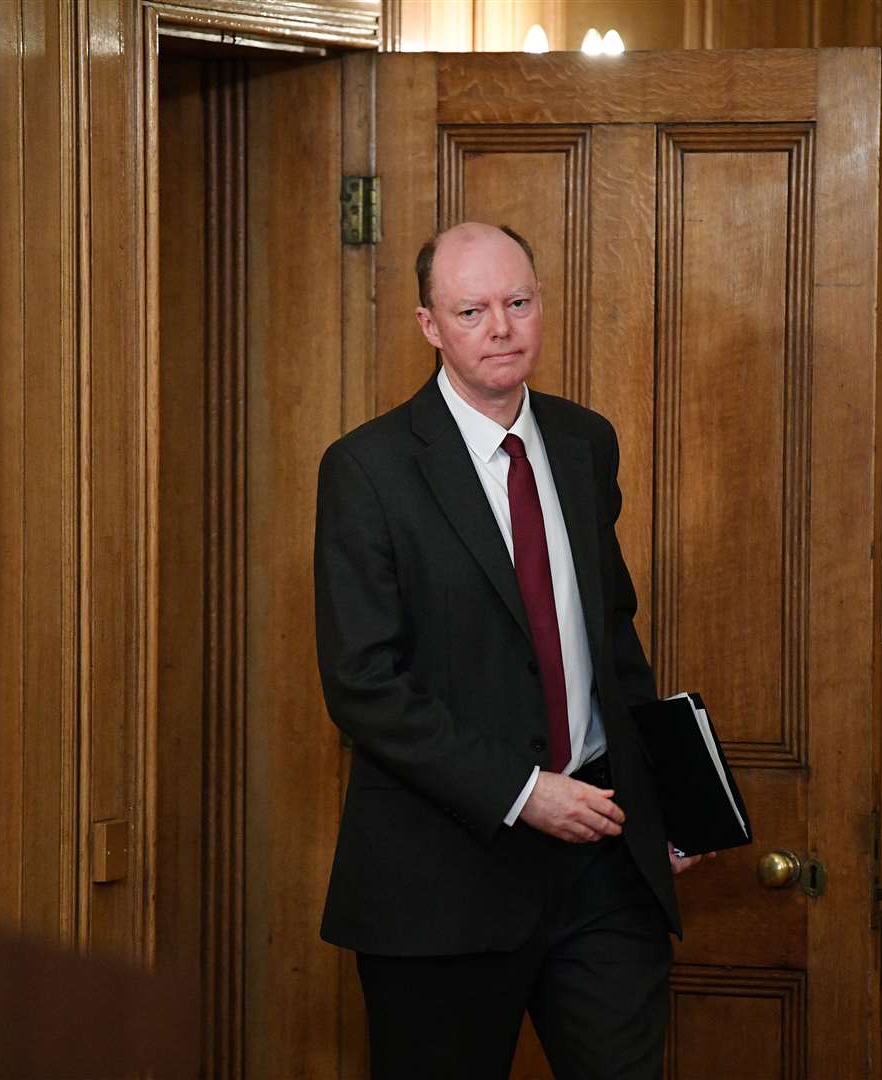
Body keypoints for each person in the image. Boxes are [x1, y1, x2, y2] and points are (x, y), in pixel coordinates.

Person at [314, 221, 705, 1080]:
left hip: (603, 866)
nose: (501, 328)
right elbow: (362, 682)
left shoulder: (582, 441)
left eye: (518, 303)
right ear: (430, 326)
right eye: (472, 309)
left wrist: (669, 792)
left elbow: (612, 633)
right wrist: (523, 794)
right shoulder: (368, 469)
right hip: (445, 877)